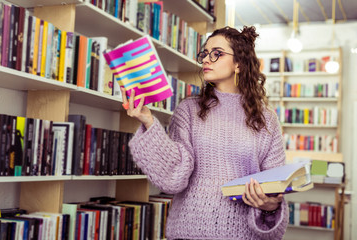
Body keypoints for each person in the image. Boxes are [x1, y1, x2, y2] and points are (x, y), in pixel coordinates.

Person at [122, 26, 289, 239]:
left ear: (239, 64)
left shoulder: (267, 119)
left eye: (216, 53)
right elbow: (174, 177)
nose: (206, 60)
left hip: (243, 235)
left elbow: (276, 186)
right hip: (188, 231)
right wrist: (147, 119)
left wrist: (270, 205)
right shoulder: (189, 110)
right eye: (204, 53)